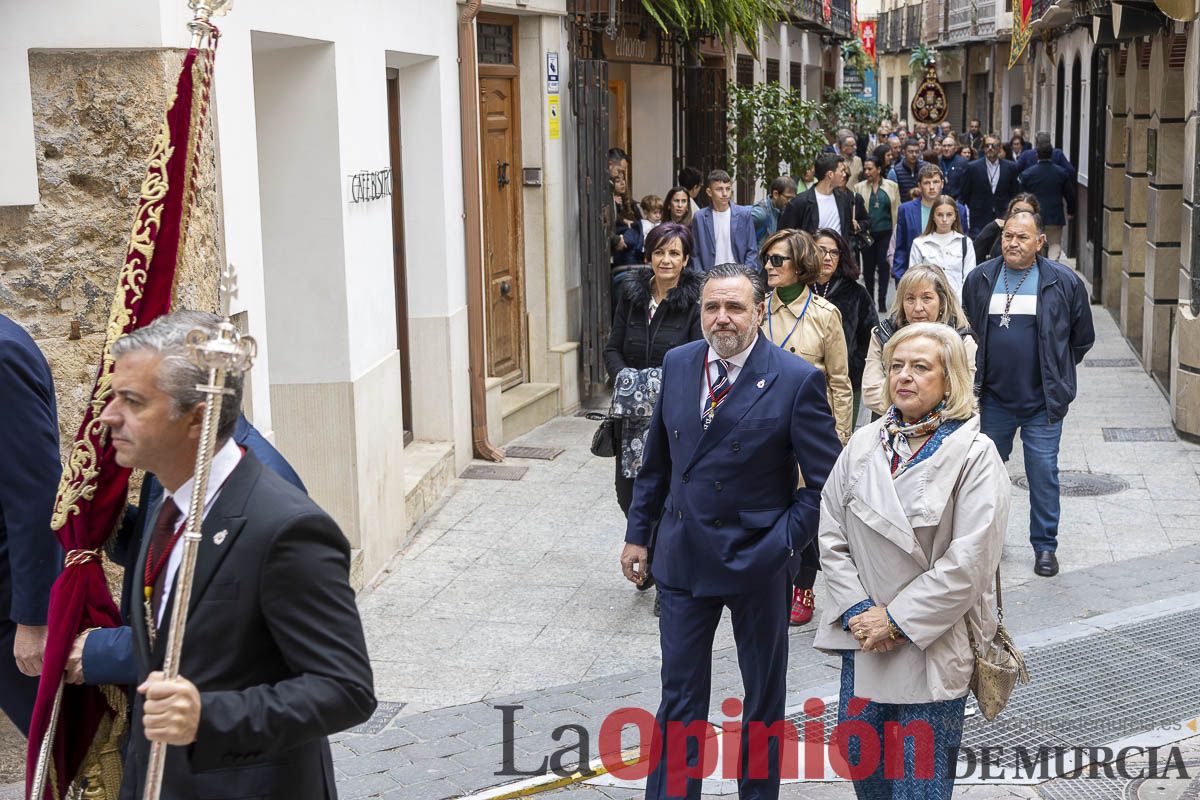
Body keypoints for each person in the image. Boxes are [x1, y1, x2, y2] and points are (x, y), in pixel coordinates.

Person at [95, 311, 376, 799]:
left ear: (197, 419)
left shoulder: (287, 527)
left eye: (132, 401)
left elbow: (345, 690)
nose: (108, 417)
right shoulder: (165, 497)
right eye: (114, 397)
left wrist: (208, 716)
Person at [620, 264, 840, 800]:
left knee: (763, 701)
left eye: (735, 307)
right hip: (683, 555)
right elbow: (658, 462)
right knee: (679, 700)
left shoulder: (794, 378)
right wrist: (638, 533)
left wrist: (785, 541)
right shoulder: (676, 363)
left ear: (759, 312)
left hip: (758, 562)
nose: (722, 319)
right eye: (712, 307)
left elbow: (828, 483)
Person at [815, 322, 1009, 800]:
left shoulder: (976, 455)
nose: (904, 376)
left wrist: (896, 620)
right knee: (863, 763)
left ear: (950, 380)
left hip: (930, 641)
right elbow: (830, 530)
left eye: (921, 367)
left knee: (919, 784)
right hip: (863, 637)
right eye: (896, 366)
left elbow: (970, 562)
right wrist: (860, 610)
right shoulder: (864, 443)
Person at [69, 411, 308, 687]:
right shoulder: (179, 459)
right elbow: (172, 558)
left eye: (135, 400)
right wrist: (109, 524)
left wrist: (107, 652)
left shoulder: (262, 497)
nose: (111, 415)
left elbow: (226, 634)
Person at [962, 211, 1095, 578]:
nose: (1013, 243)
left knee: (1043, 474)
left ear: (1039, 242)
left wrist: (1057, 372)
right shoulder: (981, 278)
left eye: (1022, 237)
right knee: (983, 474)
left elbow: (1082, 340)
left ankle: (1045, 547)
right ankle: (985, 542)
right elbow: (967, 330)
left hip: (1042, 404)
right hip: (992, 401)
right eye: (1008, 236)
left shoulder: (1063, 282)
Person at [760, 230, 853, 627]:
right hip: (761, 430)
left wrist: (841, 440)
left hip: (809, 435)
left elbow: (840, 383)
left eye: (777, 260)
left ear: (800, 265)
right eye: (766, 258)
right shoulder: (756, 310)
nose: (768, 266)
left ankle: (804, 584)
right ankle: (769, 580)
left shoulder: (824, 315)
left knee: (808, 511)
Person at [604, 222, 703, 517]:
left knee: (666, 497)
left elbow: (696, 359)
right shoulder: (631, 296)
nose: (666, 260)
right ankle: (643, 551)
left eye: (675, 253)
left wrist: (650, 386)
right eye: (659, 252)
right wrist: (627, 381)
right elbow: (612, 349)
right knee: (628, 496)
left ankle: (657, 561)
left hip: (672, 418)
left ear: (685, 260)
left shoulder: (695, 304)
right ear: (648, 255)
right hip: (631, 419)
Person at [0, 313, 61, 734]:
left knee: (62, 758)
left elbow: (36, 495)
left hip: (8, 615)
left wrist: (34, 619)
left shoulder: (2, 355)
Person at [863, 264, 978, 418]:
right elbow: (870, 393)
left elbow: (960, 396)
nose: (918, 307)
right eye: (910, 298)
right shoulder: (884, 334)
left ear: (942, 302)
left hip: (943, 430)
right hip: (888, 426)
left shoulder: (962, 340)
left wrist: (904, 400)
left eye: (926, 298)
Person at [811, 229, 876, 427]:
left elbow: (871, 337)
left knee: (840, 440)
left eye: (834, 252)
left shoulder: (856, 293)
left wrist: (854, 366)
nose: (828, 257)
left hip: (846, 383)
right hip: (805, 380)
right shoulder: (798, 289)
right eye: (821, 250)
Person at [889, 164, 969, 282]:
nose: (932, 187)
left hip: (952, 278)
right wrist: (900, 278)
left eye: (935, 182)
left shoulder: (958, 209)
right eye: (927, 183)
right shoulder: (906, 210)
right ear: (919, 186)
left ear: (942, 183)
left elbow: (964, 245)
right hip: (916, 276)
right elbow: (900, 248)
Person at [853, 157, 901, 312]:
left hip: (886, 232)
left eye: (870, 169)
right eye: (865, 169)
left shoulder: (891, 186)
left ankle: (882, 300)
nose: (867, 172)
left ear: (879, 170)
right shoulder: (859, 187)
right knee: (868, 268)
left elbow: (897, 209)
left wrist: (897, 230)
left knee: (883, 265)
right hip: (867, 234)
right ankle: (870, 300)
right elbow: (856, 211)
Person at [908, 194, 977, 300]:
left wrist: (957, 301)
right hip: (928, 302)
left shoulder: (965, 243)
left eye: (949, 215)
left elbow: (969, 277)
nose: (944, 219)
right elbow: (914, 277)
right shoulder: (920, 243)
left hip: (958, 302)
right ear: (933, 217)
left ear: (955, 216)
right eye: (940, 215)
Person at [691, 170, 759, 272]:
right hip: (709, 277)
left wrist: (746, 275)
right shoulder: (700, 217)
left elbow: (752, 249)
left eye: (728, 189)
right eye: (719, 189)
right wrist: (701, 279)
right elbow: (695, 253)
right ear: (709, 192)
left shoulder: (743, 214)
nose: (725, 193)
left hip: (738, 275)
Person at [1018, 140, 1076, 261]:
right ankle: (1052, 266)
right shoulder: (1061, 173)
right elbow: (1069, 194)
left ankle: (1039, 266)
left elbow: (1022, 196)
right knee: (1054, 244)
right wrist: (1071, 211)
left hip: (1034, 215)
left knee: (1036, 242)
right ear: (1052, 154)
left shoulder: (1028, 174)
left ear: (1037, 155)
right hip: (1055, 215)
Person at [959, 133, 1020, 237]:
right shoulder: (972, 167)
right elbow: (965, 194)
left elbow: (1014, 193)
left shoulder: (1010, 167)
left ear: (1000, 148)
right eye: (987, 145)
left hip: (1002, 215)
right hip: (979, 217)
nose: (990, 148)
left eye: (994, 146)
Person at [778, 154, 854, 238]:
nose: (844, 175)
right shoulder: (800, 202)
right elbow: (785, 236)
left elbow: (848, 231)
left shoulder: (844, 199)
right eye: (842, 171)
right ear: (830, 174)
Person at [973, 193, 1039, 264]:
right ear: (1009, 210)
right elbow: (974, 254)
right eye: (1016, 211)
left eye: (1026, 213)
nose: (1020, 215)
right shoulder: (995, 229)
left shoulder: (1038, 238)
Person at [750, 176, 798, 248]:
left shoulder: (782, 210)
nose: (790, 202)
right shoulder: (760, 214)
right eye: (787, 198)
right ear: (775, 194)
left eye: (792, 198)